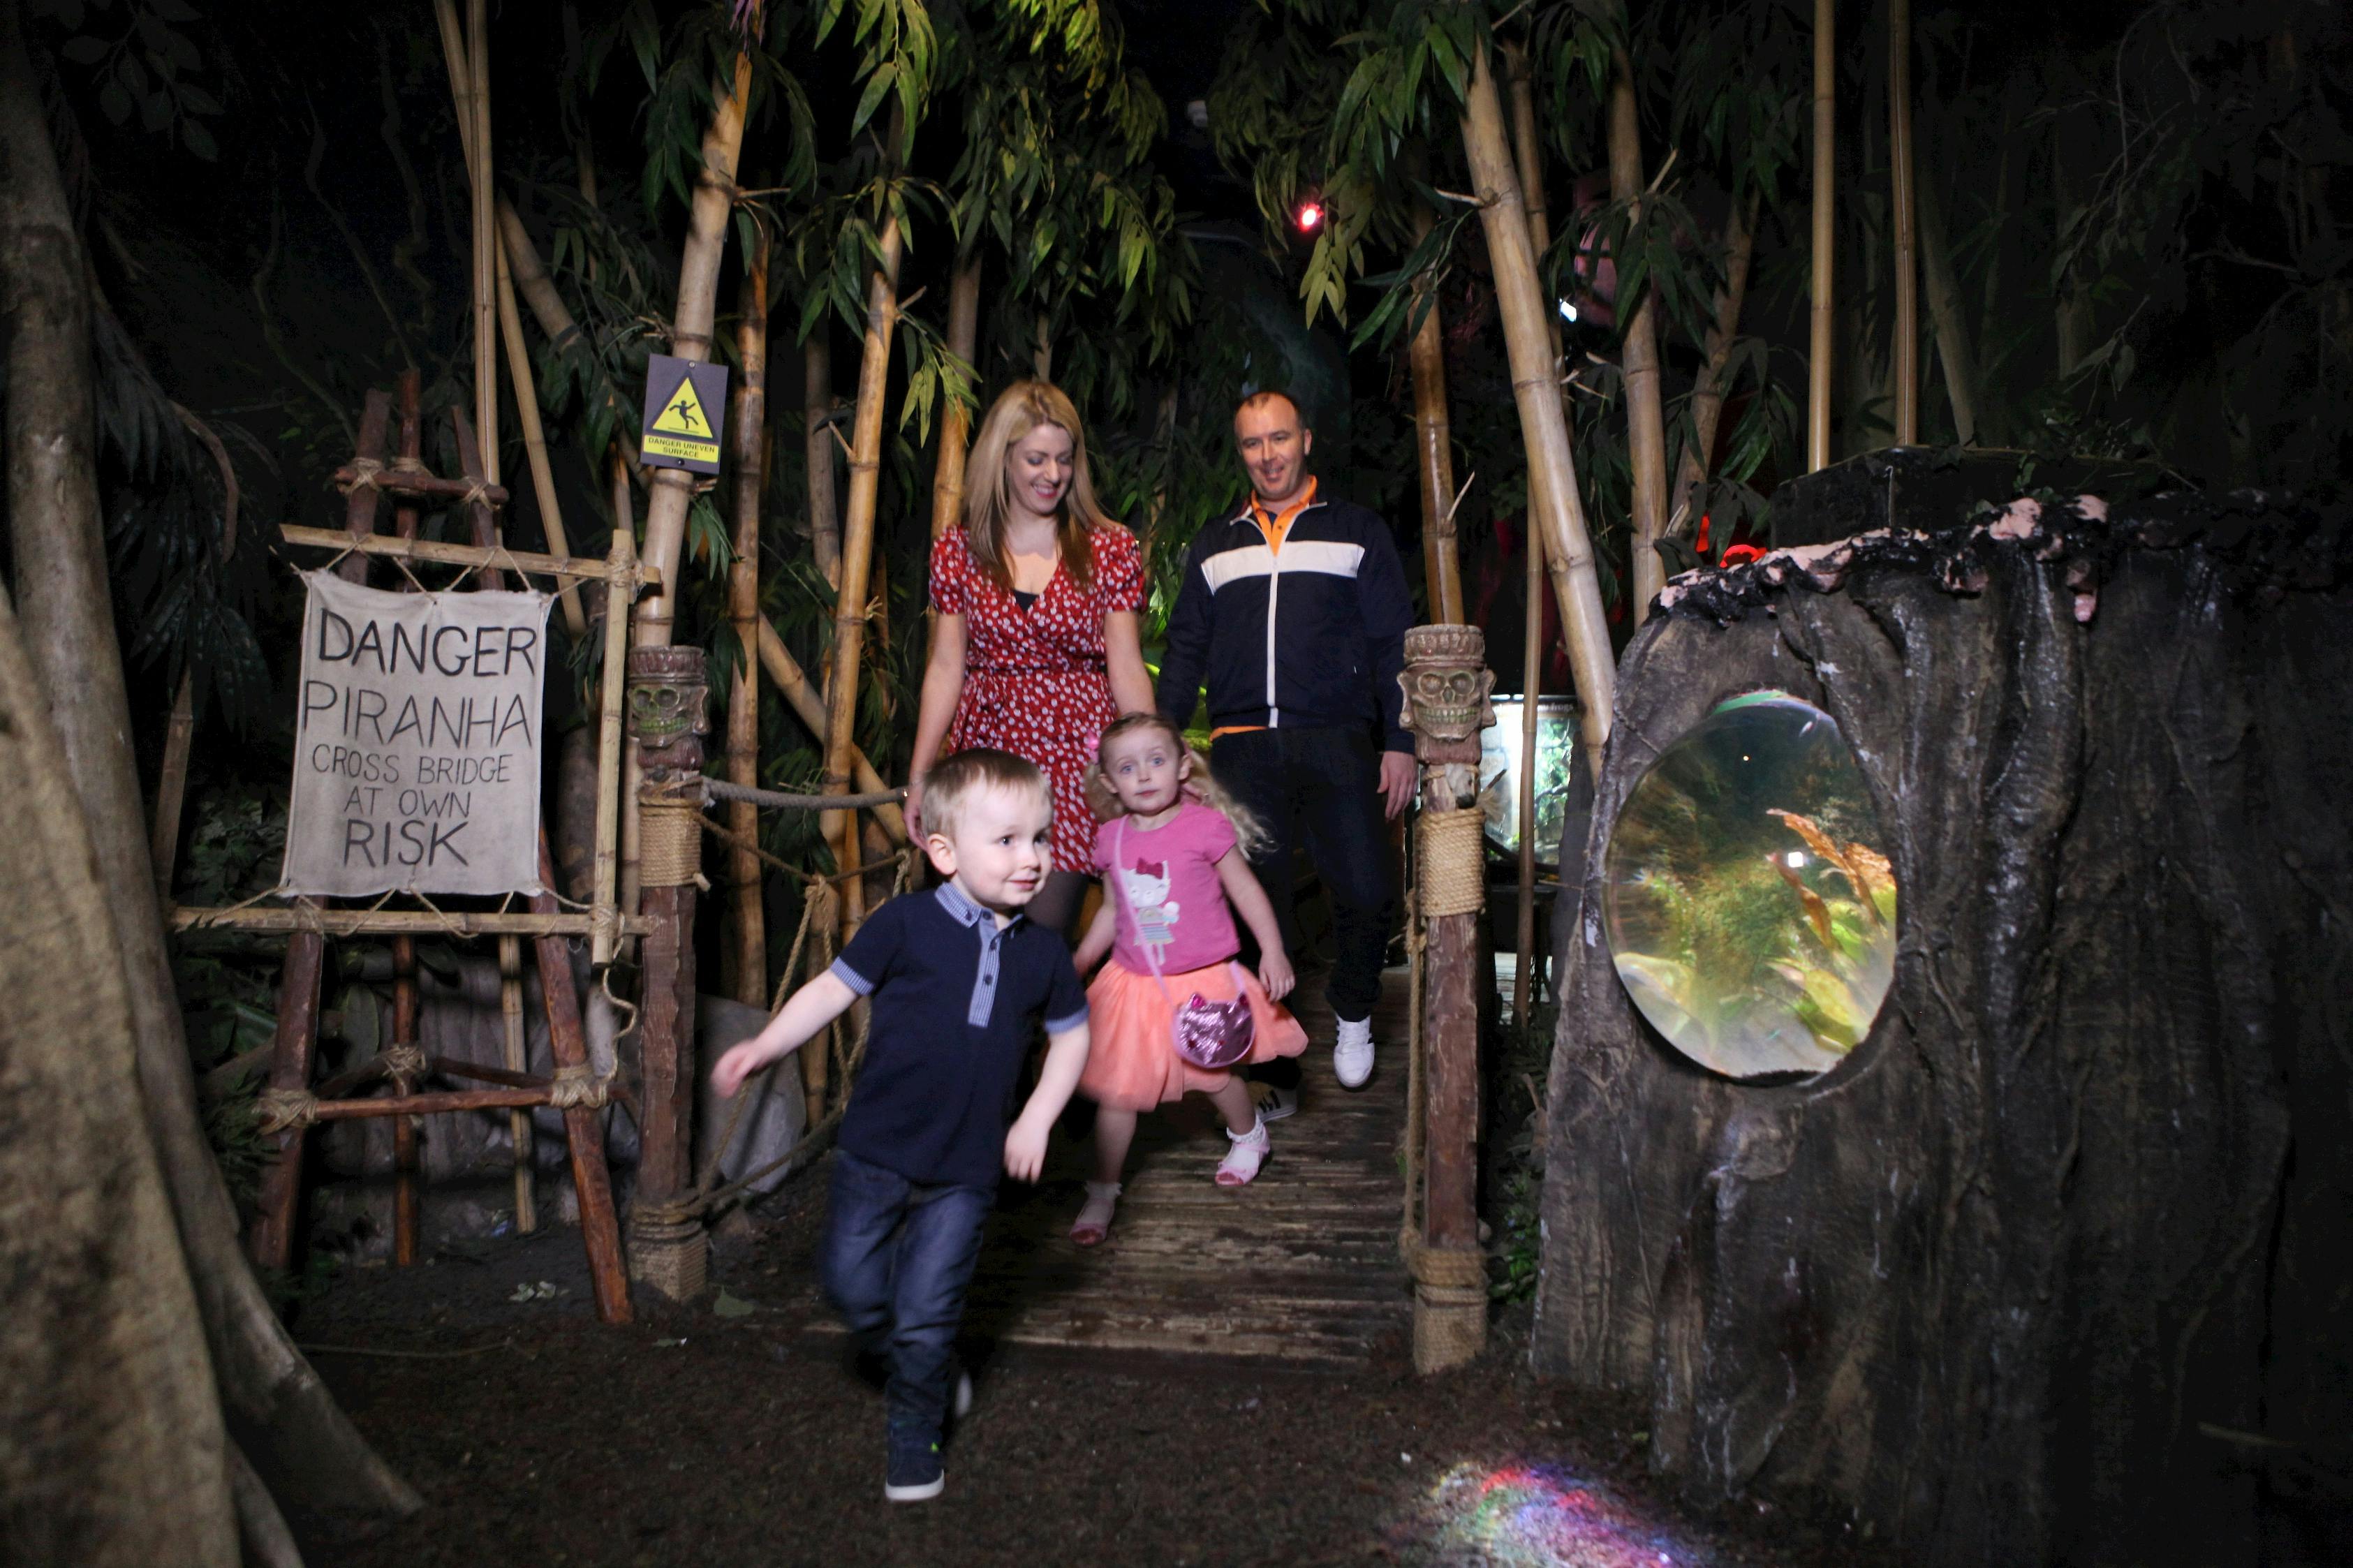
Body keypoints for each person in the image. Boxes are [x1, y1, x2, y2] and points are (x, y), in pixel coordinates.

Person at [710, 749, 1090, 1504]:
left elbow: (1073, 1036)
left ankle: (915, 1433)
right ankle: (926, 1363)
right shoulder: (906, 924)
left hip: (967, 1171)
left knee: (927, 1313)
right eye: (1008, 840)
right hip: (874, 1151)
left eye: (1042, 838)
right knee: (852, 1287)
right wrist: (765, 1044)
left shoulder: (1045, 952)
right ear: (944, 852)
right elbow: (829, 989)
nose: (1034, 858)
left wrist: (1038, 1116)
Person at [1153, 390, 1416, 1107]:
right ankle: (1274, 1063)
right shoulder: (1215, 543)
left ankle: (1355, 1009)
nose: (1267, 454)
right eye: (1251, 443)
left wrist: (1399, 740)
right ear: (1239, 452)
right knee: (1248, 910)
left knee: (1366, 891)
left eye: (1279, 438)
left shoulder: (1357, 530)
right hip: (1242, 748)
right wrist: (1156, 749)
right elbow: (1184, 653)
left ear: (1306, 440)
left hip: (1338, 738)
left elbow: (1393, 641)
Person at [907, 380, 1155, 935]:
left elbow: (1127, 666)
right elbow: (947, 668)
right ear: (1003, 459)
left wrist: (1147, 766)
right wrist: (921, 777)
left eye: (1064, 460)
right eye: (1036, 459)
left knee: (1038, 938)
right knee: (969, 938)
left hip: (1073, 762)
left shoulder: (1109, 548)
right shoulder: (958, 550)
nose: (1053, 474)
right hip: (986, 758)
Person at [1065, 713, 1310, 1244]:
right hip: (1133, 985)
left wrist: (1271, 951)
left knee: (1217, 1078)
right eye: (1128, 768)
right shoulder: (1111, 838)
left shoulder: (1204, 826)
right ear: (1109, 781)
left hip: (1203, 982)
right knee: (1118, 1093)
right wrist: (1082, 959)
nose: (1145, 775)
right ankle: (1104, 1188)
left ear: (1181, 766)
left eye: (1156, 761)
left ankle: (1249, 1136)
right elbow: (1111, 909)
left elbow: (1246, 892)